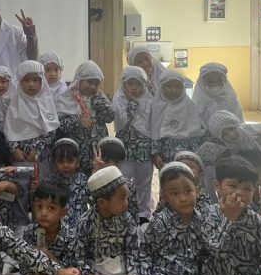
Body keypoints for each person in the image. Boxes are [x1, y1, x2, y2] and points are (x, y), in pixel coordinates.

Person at [72, 167, 158, 275]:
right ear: (102, 203)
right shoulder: (85, 223)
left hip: (122, 274)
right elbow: (80, 258)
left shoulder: (127, 219)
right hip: (97, 274)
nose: (127, 203)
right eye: (122, 198)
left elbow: (133, 251)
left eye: (127, 197)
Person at [143, 163, 216, 275]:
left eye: (188, 191)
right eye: (174, 194)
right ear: (165, 196)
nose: (183, 198)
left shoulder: (204, 220)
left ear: (197, 190)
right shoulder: (160, 222)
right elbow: (145, 252)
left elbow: (209, 255)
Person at [1, 185, 88, 275]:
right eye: (39, 207)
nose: (43, 213)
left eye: (51, 208)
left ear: (63, 212)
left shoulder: (70, 235)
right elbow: (23, 261)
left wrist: (48, 255)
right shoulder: (30, 231)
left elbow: (71, 268)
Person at [54, 60, 115, 175]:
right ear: (79, 80)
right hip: (75, 155)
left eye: (96, 84)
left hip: (97, 153)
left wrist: (99, 101)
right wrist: (78, 120)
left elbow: (110, 117)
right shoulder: (66, 98)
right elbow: (59, 125)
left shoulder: (98, 98)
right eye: (89, 82)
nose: (92, 86)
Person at [113, 66, 154, 220]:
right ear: (124, 84)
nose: (134, 87)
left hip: (144, 150)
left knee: (144, 183)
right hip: (125, 150)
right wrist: (131, 103)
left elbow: (152, 126)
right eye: (130, 83)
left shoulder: (149, 101)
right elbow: (123, 121)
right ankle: (124, 211)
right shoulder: (119, 99)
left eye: (138, 84)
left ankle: (144, 214)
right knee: (122, 181)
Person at [3, 60, 60, 171]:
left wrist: (37, 149)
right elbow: (8, 130)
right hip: (19, 156)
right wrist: (14, 149)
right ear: (20, 82)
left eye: (35, 80)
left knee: (41, 179)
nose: (31, 84)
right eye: (26, 80)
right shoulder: (14, 104)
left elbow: (51, 130)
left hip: (42, 155)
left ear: (42, 81)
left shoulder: (47, 103)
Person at [151, 69, 206, 166]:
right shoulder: (157, 107)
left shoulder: (190, 106)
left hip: (188, 154)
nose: (174, 90)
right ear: (162, 87)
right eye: (169, 86)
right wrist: (155, 154)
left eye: (178, 86)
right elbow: (155, 133)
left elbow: (197, 132)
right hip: (166, 155)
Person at [45, 138, 89, 234]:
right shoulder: (50, 180)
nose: (65, 165)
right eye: (60, 161)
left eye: (70, 161)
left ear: (78, 162)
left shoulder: (83, 180)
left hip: (79, 230)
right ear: (55, 163)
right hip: (56, 230)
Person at [191, 62, 244, 129]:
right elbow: (193, 125)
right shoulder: (197, 103)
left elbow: (240, 124)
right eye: (210, 81)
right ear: (202, 82)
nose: (215, 84)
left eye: (219, 81)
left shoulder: (232, 101)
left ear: (225, 81)